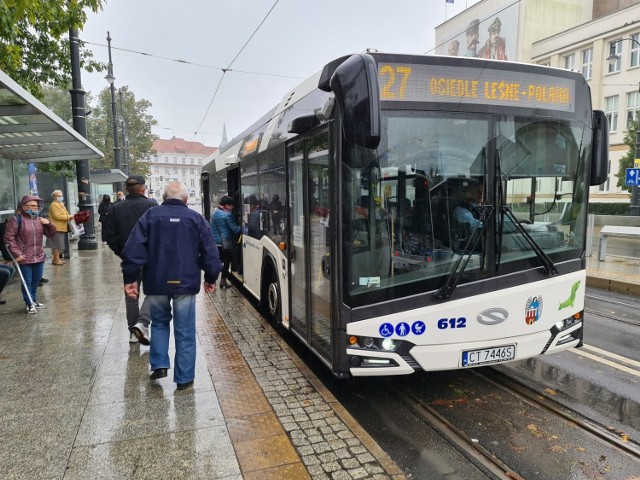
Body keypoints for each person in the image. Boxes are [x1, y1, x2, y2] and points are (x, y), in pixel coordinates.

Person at [121, 181, 222, 390]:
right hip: (186, 282)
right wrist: (211, 278)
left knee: (158, 322)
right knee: (185, 330)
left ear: (164, 197)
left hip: (156, 281)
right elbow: (211, 253)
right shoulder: (196, 219)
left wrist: (130, 278)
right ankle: (184, 379)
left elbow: (133, 250)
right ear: (185, 199)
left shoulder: (150, 217)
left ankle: (159, 364)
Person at [103, 175, 156, 344]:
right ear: (143, 189)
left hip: (129, 259)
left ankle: (133, 332)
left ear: (126, 190)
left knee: (131, 294)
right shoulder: (152, 206)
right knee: (154, 292)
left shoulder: (115, 208)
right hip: (150, 258)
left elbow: (109, 235)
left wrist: (123, 252)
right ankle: (142, 323)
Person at [5, 195, 56, 313]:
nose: (34, 208)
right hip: (24, 256)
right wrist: (17, 253)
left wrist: (48, 223)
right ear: (24, 207)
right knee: (26, 280)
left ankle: (33, 300)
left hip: (38, 255)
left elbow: (51, 233)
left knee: (36, 280)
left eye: (36, 206)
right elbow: (9, 238)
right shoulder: (16, 219)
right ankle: (29, 303)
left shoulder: (39, 220)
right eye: (31, 206)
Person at [211, 195, 241, 289]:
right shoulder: (228, 215)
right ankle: (223, 281)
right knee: (227, 262)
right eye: (231, 205)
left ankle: (213, 281)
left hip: (216, 242)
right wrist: (244, 229)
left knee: (217, 262)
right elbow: (234, 229)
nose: (232, 207)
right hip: (226, 242)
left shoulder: (215, 213)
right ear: (227, 205)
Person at [46, 190, 74, 266]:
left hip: (60, 227)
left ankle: (56, 259)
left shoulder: (59, 204)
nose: (61, 197)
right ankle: (56, 260)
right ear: (54, 197)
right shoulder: (54, 204)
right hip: (56, 227)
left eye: (61, 195)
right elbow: (57, 216)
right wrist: (69, 217)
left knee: (59, 244)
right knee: (56, 245)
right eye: (59, 196)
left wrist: (69, 216)